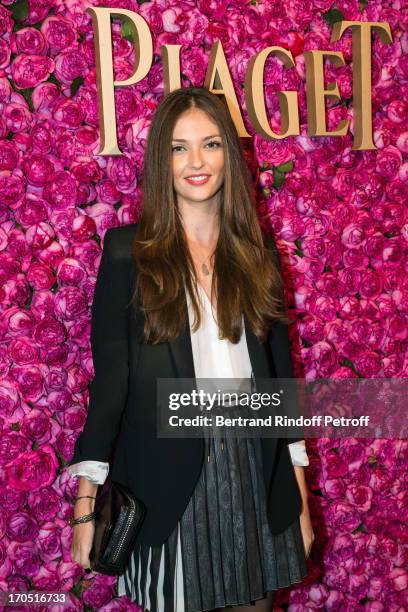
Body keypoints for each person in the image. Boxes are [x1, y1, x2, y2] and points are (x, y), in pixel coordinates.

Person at [68, 86, 314, 612]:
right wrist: (86, 504)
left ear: (229, 153)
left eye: (210, 144)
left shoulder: (257, 254)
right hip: (167, 485)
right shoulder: (127, 254)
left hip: (256, 472)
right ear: (163, 160)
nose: (196, 162)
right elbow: (111, 382)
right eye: (179, 148)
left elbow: (276, 378)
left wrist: (298, 496)